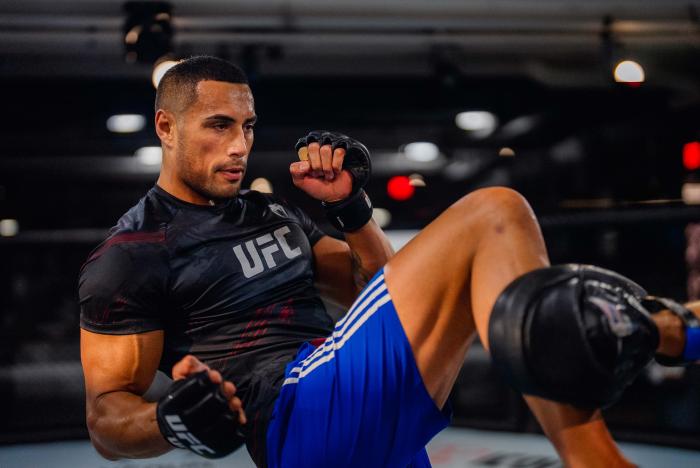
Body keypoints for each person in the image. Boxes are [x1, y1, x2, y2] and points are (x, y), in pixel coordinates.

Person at [78, 55, 697, 468]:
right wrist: (167, 419)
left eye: (247, 125)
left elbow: (370, 289)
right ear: (165, 126)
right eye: (218, 125)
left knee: (514, 283)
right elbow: (106, 416)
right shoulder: (130, 253)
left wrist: (351, 211)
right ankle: (613, 426)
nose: (240, 144)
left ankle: (667, 327)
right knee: (495, 212)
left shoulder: (270, 215)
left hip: (361, 418)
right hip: (295, 413)